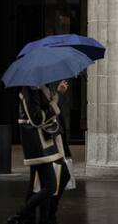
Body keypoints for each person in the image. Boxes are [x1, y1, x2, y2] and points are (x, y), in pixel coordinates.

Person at [8, 85, 70, 224]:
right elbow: (37, 118)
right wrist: (54, 102)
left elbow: (51, 111)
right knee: (50, 185)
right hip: (39, 145)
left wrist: (57, 95)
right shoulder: (30, 91)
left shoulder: (42, 88)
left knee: (43, 184)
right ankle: (22, 215)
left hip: (48, 142)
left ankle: (40, 216)